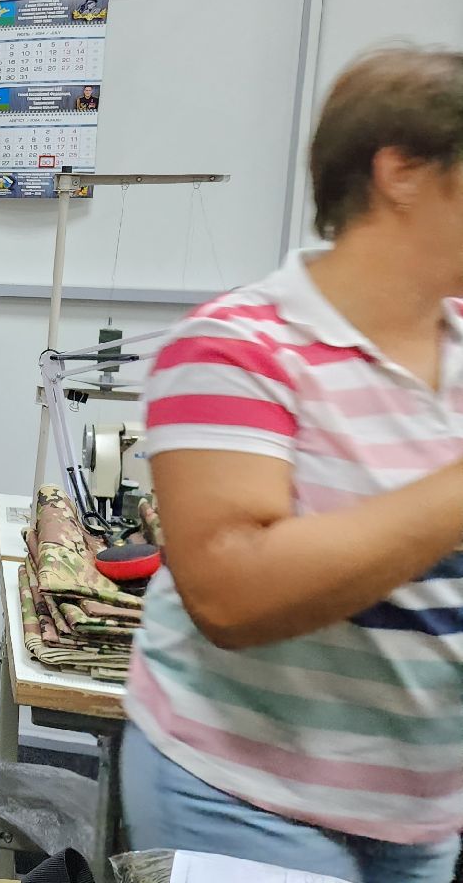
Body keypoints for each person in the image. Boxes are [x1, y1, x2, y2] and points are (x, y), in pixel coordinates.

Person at [122, 48, 463, 883]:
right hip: (244, 795)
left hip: (419, 813)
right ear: (403, 172)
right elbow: (233, 595)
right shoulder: (237, 348)